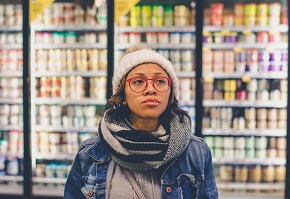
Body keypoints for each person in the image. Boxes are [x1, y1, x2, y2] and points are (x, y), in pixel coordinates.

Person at [64, 44, 218, 199]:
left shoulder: (196, 152)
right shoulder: (91, 154)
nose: (150, 89)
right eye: (138, 81)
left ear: (170, 93)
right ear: (122, 94)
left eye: (160, 81)